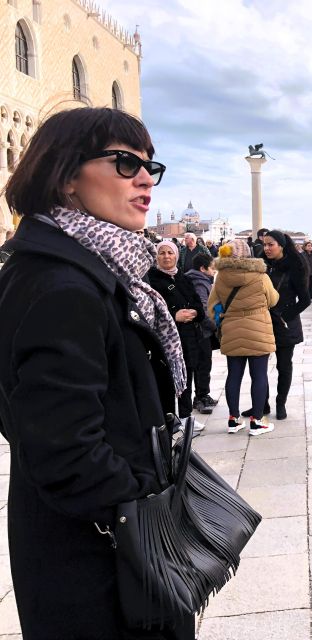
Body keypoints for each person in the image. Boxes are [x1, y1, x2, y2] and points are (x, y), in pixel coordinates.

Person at [0, 106, 195, 638]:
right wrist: (145, 508)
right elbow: (65, 451)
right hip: (97, 568)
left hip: (97, 549)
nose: (144, 179)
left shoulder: (88, 270)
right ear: (65, 176)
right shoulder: (63, 286)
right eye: (124, 162)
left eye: (150, 167)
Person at [209, 239, 278, 435]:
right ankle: (256, 421)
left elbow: (212, 305)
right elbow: (272, 300)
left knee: (234, 375)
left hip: (231, 329)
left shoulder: (220, 277)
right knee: (259, 375)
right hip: (258, 328)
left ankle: (233, 419)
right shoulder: (260, 275)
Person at [148, 240, 208, 430]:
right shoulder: (151, 280)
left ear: (176, 256)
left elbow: (199, 305)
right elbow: (149, 312)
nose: (166, 257)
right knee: (165, 379)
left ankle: (185, 416)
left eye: (170, 253)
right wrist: (174, 316)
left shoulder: (184, 278)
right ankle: (167, 418)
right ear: (156, 256)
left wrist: (195, 313)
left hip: (188, 336)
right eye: (162, 253)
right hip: (165, 339)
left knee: (186, 376)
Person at [261, 230, 310, 420]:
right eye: (264, 245)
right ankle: (261, 403)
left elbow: (305, 299)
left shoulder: (295, 266)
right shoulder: (261, 265)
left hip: (284, 323)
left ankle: (281, 403)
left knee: (284, 365)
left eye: (270, 244)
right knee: (259, 367)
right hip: (263, 321)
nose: (266, 248)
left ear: (281, 246)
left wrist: (285, 315)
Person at [185, 252, 218, 414]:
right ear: (203, 268)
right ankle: (201, 398)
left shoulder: (195, 279)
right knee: (203, 364)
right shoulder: (199, 283)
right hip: (200, 331)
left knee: (201, 364)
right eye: (211, 268)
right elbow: (202, 310)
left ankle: (202, 395)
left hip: (197, 331)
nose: (214, 271)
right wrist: (214, 326)